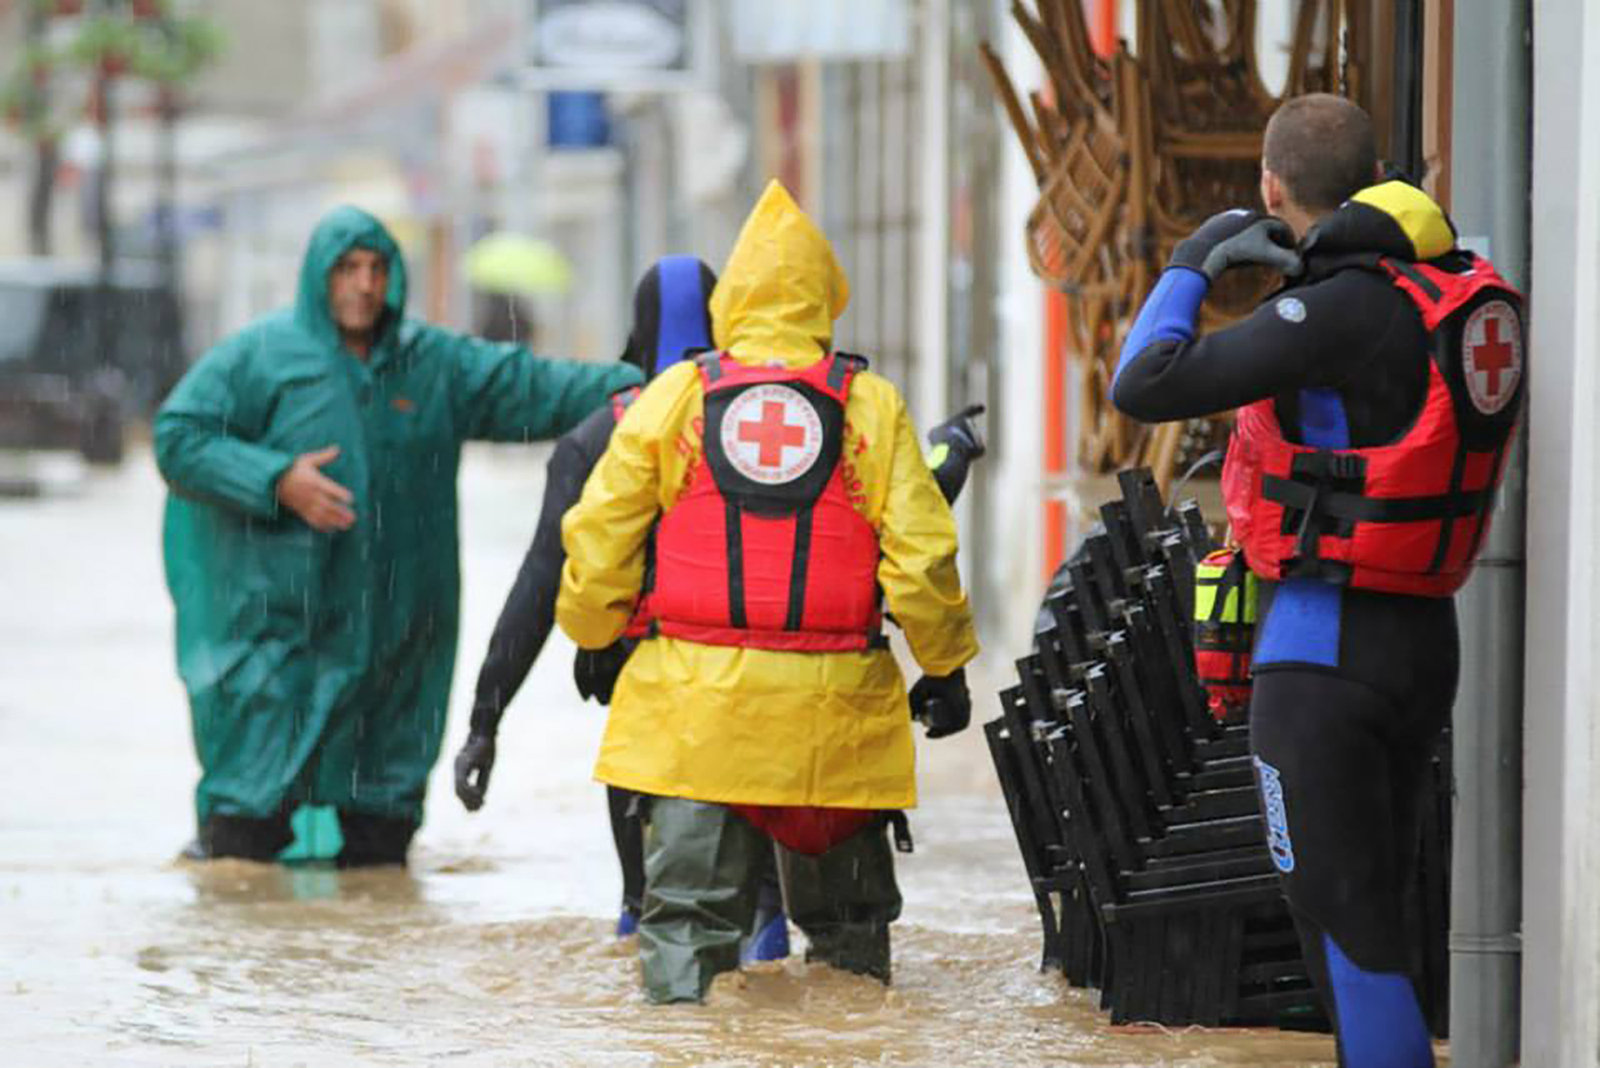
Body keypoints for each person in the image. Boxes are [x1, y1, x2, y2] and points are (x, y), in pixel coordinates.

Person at [1112, 95, 1522, 1067]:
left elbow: (1144, 382)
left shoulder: (1331, 312)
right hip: (1423, 639)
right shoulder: (1453, 293)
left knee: (1341, 920)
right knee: (1376, 905)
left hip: (1319, 653)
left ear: (1270, 188)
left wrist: (1189, 264)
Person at [452, 253, 988, 948]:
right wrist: (944, 668)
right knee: (820, 943)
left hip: (676, 727)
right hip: (818, 727)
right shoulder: (855, 405)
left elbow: (543, 582)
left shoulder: (629, 423)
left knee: (669, 923)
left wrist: (492, 715)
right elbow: (896, 547)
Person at [555, 180, 980, 1004]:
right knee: (850, 964)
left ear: (733, 300)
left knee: (684, 950)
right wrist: (947, 666)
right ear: (827, 292)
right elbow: (923, 558)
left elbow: (601, 528)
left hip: (692, 723)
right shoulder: (870, 405)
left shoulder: (676, 396)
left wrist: (594, 630)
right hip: (834, 731)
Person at [156, 205, 642, 867]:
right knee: (243, 849)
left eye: (377, 268)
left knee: (379, 856)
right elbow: (179, 437)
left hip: (396, 639)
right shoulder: (261, 358)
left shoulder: (431, 362)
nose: (363, 284)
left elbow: (536, 388)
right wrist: (276, 480)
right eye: (348, 269)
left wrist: (667, 383)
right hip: (284, 636)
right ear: (318, 278)